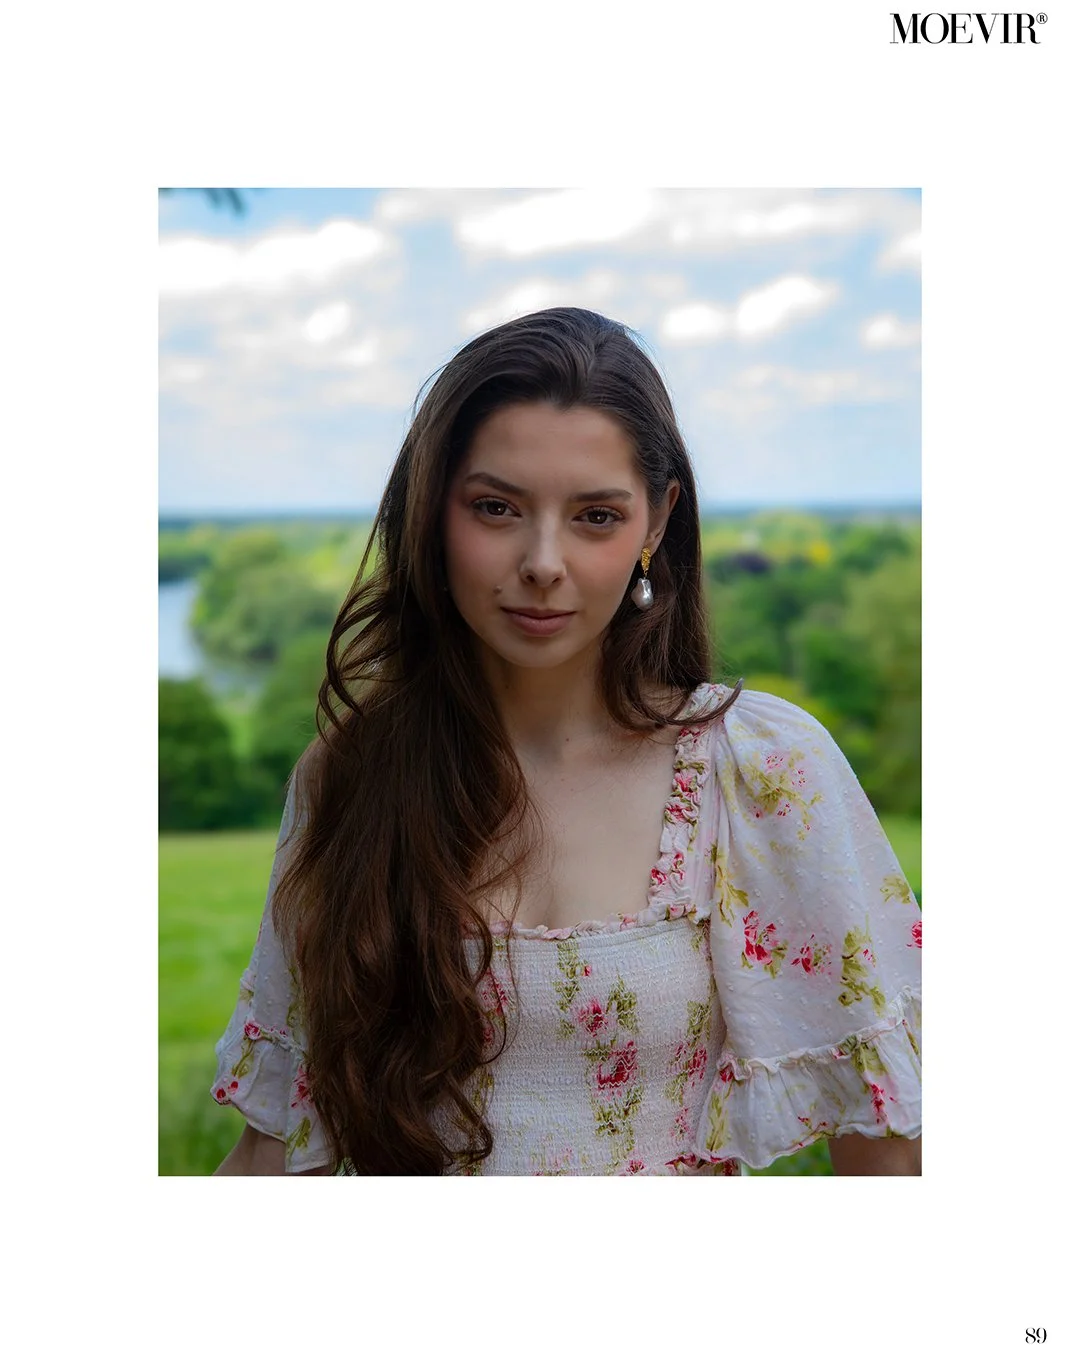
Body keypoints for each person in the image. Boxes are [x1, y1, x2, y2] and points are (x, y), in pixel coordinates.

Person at [211, 307, 922, 1176]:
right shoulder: (349, 777)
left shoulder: (759, 770)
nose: (543, 560)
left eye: (594, 516)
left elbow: (892, 1150)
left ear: (655, 525)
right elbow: (274, 1149)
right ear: (435, 512)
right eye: (497, 507)